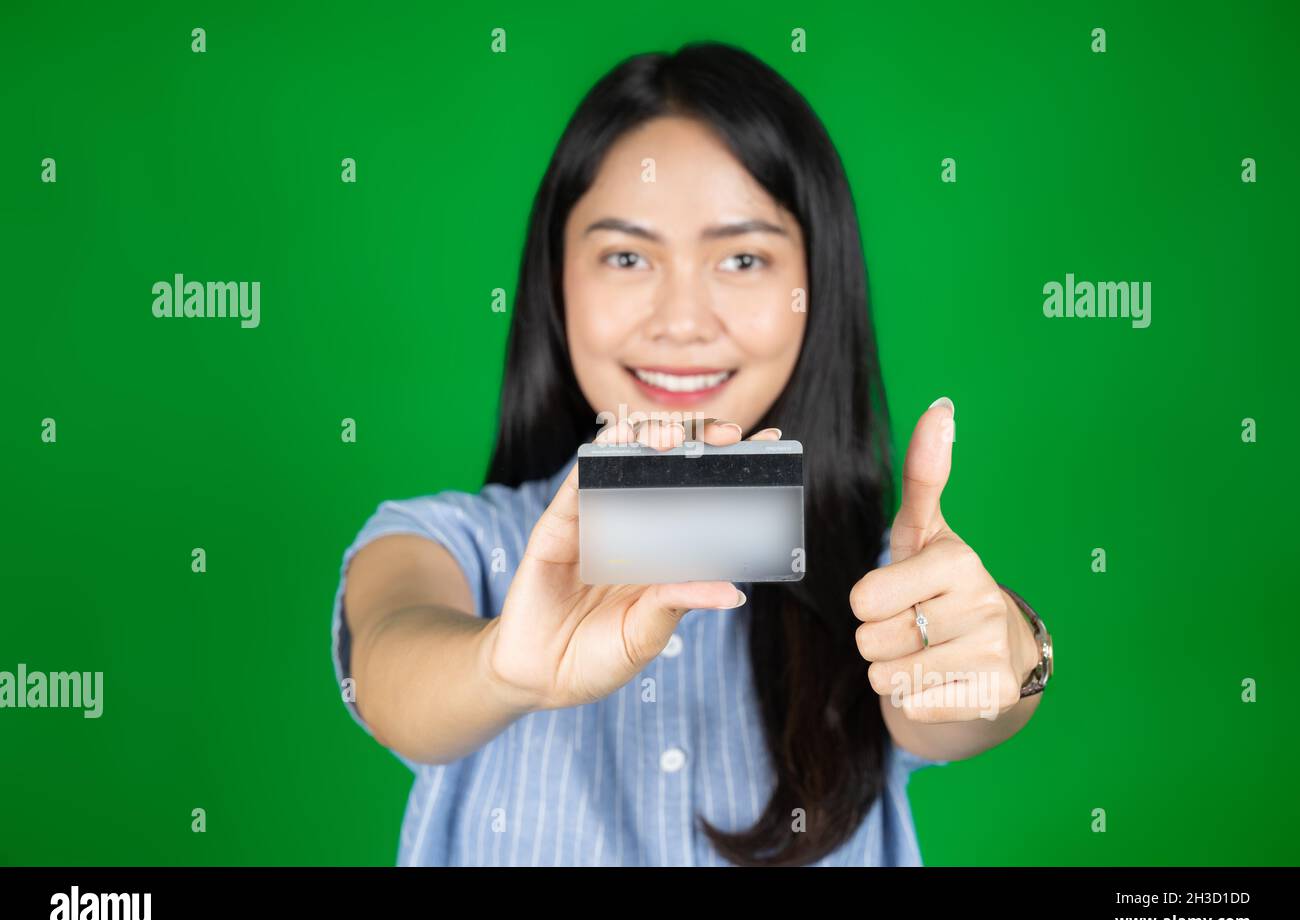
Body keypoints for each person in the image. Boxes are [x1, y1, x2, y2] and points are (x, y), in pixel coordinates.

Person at [329, 41, 1049, 867]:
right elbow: (391, 671)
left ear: (819, 287)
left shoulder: (880, 584)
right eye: (627, 256)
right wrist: (502, 669)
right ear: (554, 281)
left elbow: (951, 702)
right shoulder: (447, 541)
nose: (681, 320)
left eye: (743, 258)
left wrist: (1009, 651)